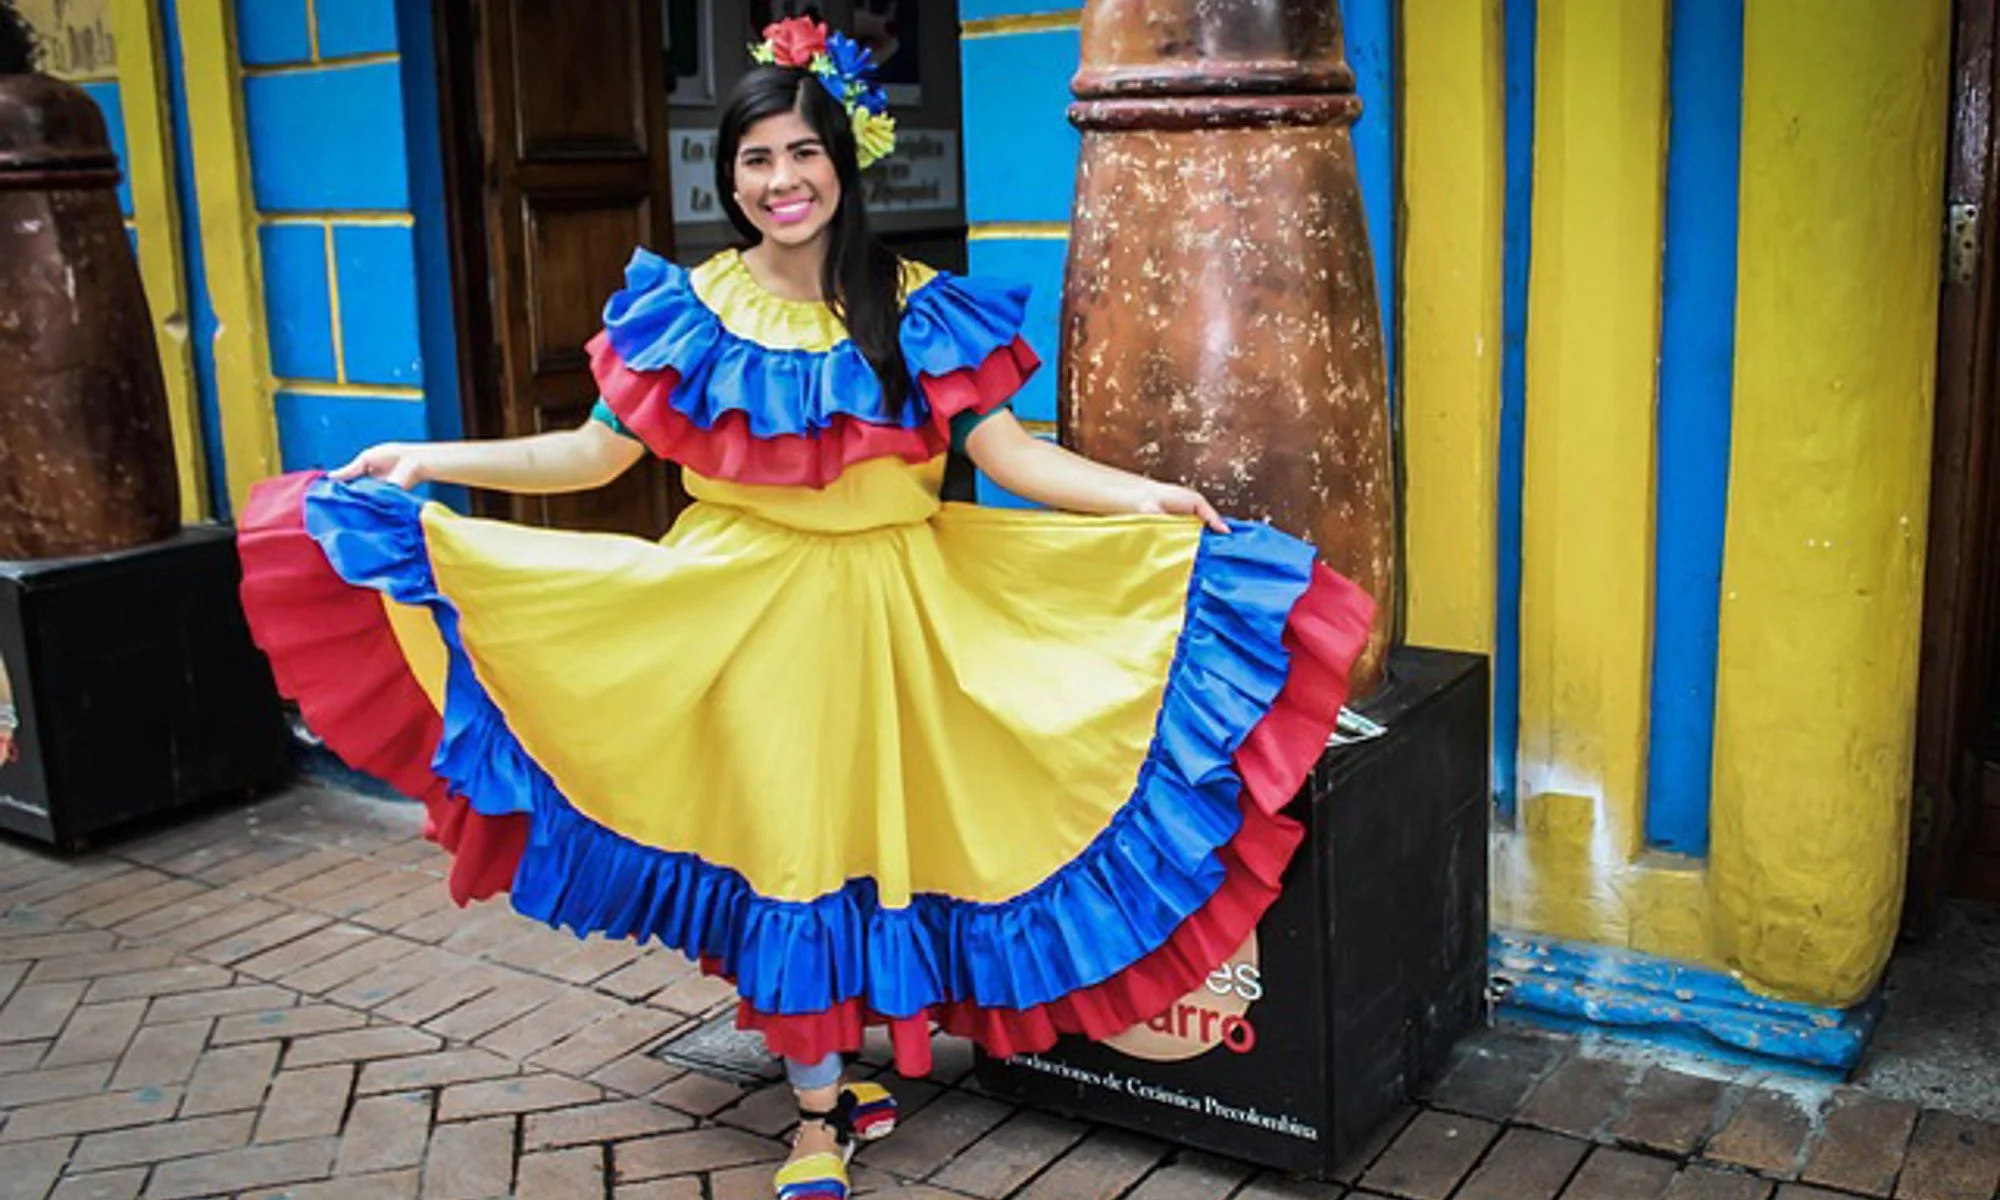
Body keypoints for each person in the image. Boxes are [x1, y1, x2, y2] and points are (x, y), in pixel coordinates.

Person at [235, 19, 1373, 1200]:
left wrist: (1140, 494)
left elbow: (1015, 459)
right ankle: (816, 1116)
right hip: (740, 618)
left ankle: (838, 1066)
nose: (781, 182)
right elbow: (587, 455)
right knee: (789, 853)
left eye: (801, 154)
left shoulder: (919, 308)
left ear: (842, 162)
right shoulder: (688, 310)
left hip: (899, 615)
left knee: (890, 843)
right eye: (755, 162)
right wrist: (431, 457)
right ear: (726, 181)